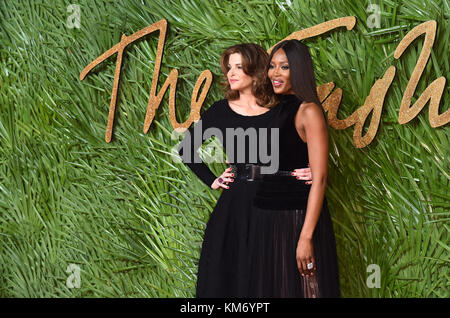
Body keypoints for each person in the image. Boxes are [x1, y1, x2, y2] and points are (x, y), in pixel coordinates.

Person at [177, 43, 312, 297]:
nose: (231, 73)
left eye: (239, 67)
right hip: (235, 208)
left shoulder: (284, 107)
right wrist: (212, 179)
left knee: (273, 283)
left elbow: (304, 145)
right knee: (231, 281)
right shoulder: (219, 111)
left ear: (257, 70)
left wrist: (313, 169)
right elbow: (186, 149)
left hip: (277, 205)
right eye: (229, 68)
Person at [249, 39, 340, 297]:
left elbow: (320, 178)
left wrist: (306, 237)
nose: (275, 73)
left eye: (284, 67)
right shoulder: (268, 109)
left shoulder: (308, 111)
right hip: (264, 216)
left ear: (299, 70)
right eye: (272, 66)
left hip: (296, 219)